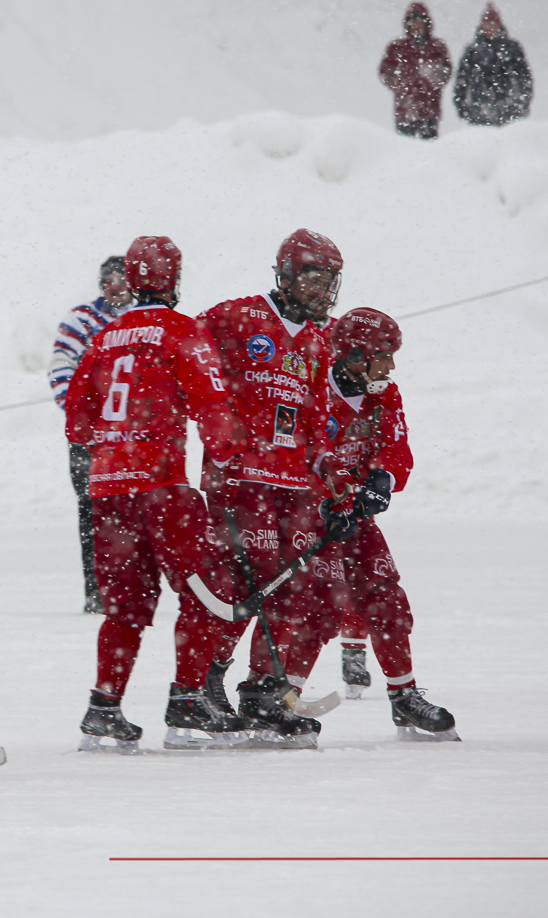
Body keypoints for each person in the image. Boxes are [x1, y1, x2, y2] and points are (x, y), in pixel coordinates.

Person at [64, 235, 249, 751]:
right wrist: (228, 451)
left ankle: (105, 706)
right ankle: (187, 700)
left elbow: (76, 421)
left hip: (108, 490)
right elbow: (211, 404)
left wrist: (113, 439)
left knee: (126, 605)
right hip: (161, 486)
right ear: (173, 279)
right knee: (207, 592)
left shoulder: (105, 337)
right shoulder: (182, 332)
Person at [195, 229, 343, 746]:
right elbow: (186, 356)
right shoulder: (238, 315)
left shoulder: (317, 342)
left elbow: (316, 417)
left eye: (329, 281)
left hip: (292, 485)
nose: (322, 291)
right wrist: (216, 430)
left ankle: (262, 691)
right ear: (285, 274)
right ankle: (205, 682)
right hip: (240, 480)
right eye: (313, 278)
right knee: (241, 585)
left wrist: (326, 464)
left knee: (292, 587)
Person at [300, 308, 458, 740]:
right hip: (312, 518)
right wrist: (326, 501)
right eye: (383, 356)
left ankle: (404, 698)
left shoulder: (384, 394)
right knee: (314, 612)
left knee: (387, 599)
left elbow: (396, 447)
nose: (390, 367)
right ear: (353, 355)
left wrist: (380, 479)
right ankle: (277, 698)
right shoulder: (313, 389)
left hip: (352, 517)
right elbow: (299, 454)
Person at [48, 255, 133, 613]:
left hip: (132, 436)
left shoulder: (141, 319)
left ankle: (130, 589)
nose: (116, 287)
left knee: (131, 511)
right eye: (109, 280)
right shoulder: (81, 318)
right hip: (89, 437)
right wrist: (78, 414)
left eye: (122, 279)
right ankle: (96, 591)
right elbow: (59, 366)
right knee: (92, 512)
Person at [379, 2, 453, 140]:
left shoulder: (437, 47)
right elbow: (385, 72)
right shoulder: (397, 47)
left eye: (419, 22)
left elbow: (446, 72)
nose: (416, 26)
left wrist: (431, 82)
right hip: (404, 108)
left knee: (428, 149)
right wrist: (400, 85)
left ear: (427, 24)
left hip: (429, 109)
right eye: (412, 23)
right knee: (405, 148)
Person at [452, 3, 533, 127]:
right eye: (486, 24)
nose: (489, 28)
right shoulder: (472, 51)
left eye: (492, 24)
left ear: (499, 25)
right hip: (479, 111)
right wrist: (462, 107)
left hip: (509, 110)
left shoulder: (512, 48)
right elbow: (462, 81)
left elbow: (524, 78)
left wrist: (523, 103)